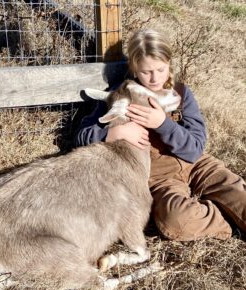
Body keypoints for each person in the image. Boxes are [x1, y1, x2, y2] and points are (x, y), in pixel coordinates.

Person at [74, 28, 246, 241]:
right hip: (159, 179)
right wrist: (113, 132)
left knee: (238, 195)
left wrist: (163, 124)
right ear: (135, 68)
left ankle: (233, 210)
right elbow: (81, 135)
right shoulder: (122, 94)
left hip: (197, 164)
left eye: (160, 69)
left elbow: (194, 149)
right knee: (177, 221)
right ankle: (229, 222)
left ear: (169, 64)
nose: (155, 78)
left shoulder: (180, 94)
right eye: (146, 72)